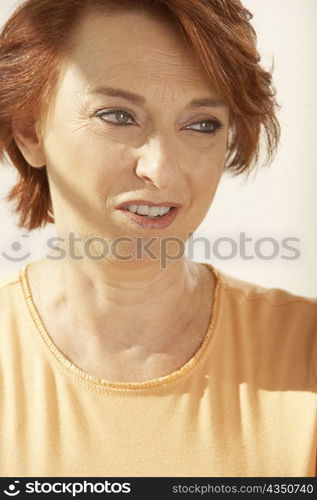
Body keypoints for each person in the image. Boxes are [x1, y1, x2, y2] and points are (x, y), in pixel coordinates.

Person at [0, 0, 316, 478]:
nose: (161, 170)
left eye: (202, 124)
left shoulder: (304, 352)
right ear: (29, 130)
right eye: (117, 116)